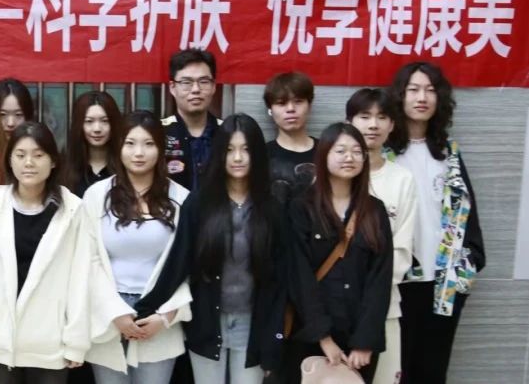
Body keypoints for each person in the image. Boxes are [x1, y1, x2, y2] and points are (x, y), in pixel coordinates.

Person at [135, 113, 286, 383]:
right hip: (207, 320)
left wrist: (274, 336)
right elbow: (179, 261)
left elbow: (281, 277)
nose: (237, 158)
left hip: (252, 323)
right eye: (229, 150)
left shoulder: (271, 207)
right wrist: (147, 307)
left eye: (246, 149)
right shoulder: (200, 203)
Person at [0, 121, 92, 384]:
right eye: (20, 155)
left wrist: (76, 341)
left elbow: (80, 278)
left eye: (38, 155)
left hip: (50, 342)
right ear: (9, 160)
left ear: (53, 161)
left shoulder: (72, 209)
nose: (29, 163)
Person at [385, 62, 485, 384]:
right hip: (396, 282)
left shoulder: (448, 152)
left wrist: (468, 265)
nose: (422, 97)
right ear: (400, 96)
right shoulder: (384, 154)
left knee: (433, 371)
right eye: (413, 89)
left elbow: (467, 214)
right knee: (394, 371)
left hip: (443, 283)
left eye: (430, 90)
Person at [83, 110, 190, 384]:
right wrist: (115, 312)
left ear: (160, 149)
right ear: (119, 147)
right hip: (109, 314)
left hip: (159, 315)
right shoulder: (97, 196)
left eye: (148, 144)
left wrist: (165, 316)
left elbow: (187, 266)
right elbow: (88, 259)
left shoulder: (182, 199)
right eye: (130, 143)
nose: (139, 153)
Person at [284, 123, 393, 383]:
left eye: (356, 151)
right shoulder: (302, 208)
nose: (349, 157)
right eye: (340, 150)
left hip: (358, 339)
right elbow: (299, 276)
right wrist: (324, 338)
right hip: (310, 334)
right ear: (323, 156)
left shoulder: (375, 211)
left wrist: (365, 341)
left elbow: (380, 280)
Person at [345, 88, 417, 384]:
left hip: (384, 307)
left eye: (382, 117)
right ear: (349, 122)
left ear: (392, 125)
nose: (373, 125)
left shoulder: (402, 180)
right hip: (335, 308)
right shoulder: (329, 177)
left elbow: (402, 250)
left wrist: (371, 295)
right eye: (364, 116)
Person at [163, 48, 221, 191]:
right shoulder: (158, 133)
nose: (195, 89)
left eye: (203, 81)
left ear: (214, 86)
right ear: (172, 87)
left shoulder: (227, 132)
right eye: (186, 82)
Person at [262, 72, 317, 205]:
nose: (291, 109)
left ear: (309, 106)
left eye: (298, 101)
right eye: (281, 103)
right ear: (270, 110)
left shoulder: (327, 151)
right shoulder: (260, 154)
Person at [62, 91, 123, 198]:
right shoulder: (64, 168)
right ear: (79, 125)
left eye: (104, 121)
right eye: (89, 121)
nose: (97, 129)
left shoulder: (125, 166)